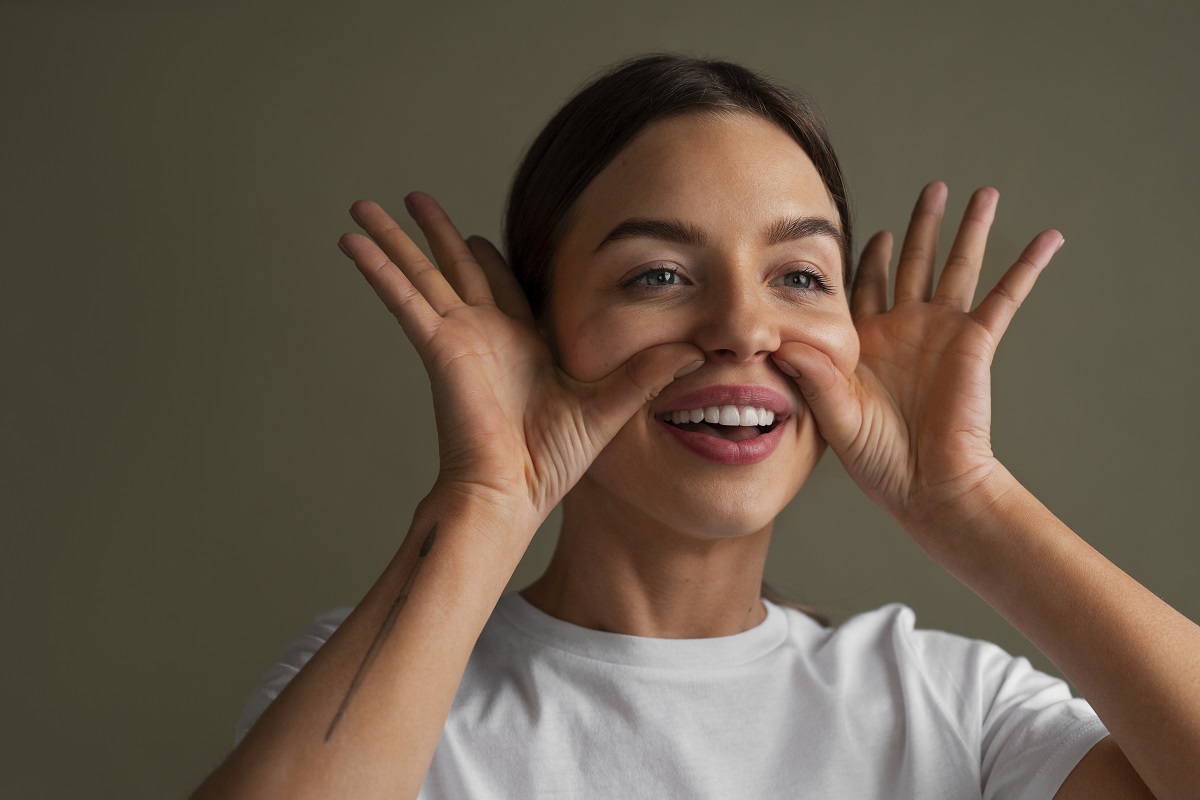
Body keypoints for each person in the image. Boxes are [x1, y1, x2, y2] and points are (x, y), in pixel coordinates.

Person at [192, 54, 1199, 799]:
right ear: (537, 337)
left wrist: (968, 501)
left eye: (800, 276)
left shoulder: (954, 709)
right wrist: (490, 497)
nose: (741, 328)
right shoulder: (393, 687)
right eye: (657, 275)